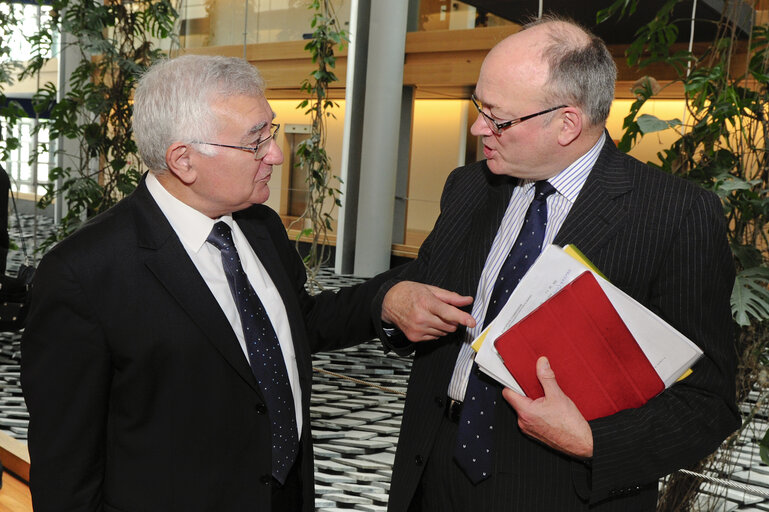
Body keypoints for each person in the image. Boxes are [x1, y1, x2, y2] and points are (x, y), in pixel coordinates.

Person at [20, 54, 430, 512]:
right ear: (184, 161)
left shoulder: (261, 226)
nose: (275, 154)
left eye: (270, 132)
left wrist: (387, 298)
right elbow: (66, 466)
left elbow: (298, 324)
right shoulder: (83, 274)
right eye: (256, 142)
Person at [376, 16, 740, 511]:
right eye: (479, 107)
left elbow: (708, 403)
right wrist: (393, 300)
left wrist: (593, 441)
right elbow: (418, 291)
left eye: (497, 118)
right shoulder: (469, 187)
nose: (477, 127)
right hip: (433, 468)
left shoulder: (675, 215)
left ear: (567, 123)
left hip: (560, 489)